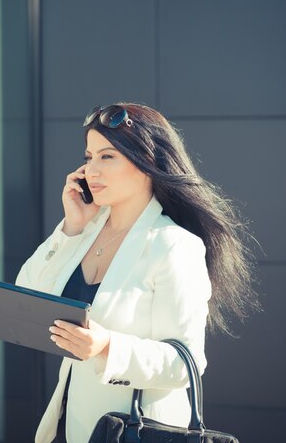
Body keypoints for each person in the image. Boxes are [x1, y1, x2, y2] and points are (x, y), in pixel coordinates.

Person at [16, 103, 257, 443]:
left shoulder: (173, 244)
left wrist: (107, 347)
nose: (91, 170)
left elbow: (183, 364)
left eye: (107, 157)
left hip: (136, 431)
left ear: (147, 162)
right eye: (89, 157)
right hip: (73, 428)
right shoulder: (83, 230)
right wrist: (70, 228)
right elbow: (26, 294)